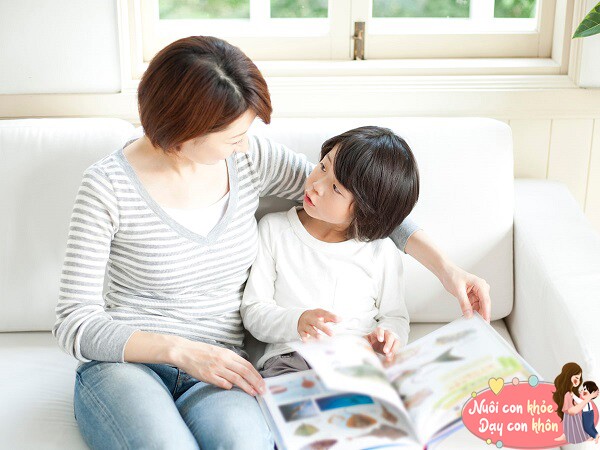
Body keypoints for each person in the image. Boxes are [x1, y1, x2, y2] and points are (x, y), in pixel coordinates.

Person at [52, 35, 492, 449]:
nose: (246, 146)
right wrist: (180, 351)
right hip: (130, 368)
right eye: (233, 137)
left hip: (222, 371)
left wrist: (447, 270)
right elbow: (75, 322)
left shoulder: (250, 161)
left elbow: (367, 203)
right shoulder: (107, 187)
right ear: (183, 134)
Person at [241, 126, 418, 377]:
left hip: (358, 361)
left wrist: (390, 336)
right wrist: (297, 321)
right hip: (293, 360)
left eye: (336, 189)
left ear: (365, 211)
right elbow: (254, 311)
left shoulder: (382, 251)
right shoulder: (274, 229)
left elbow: (396, 317)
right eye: (323, 166)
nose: (316, 185)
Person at [553, 363, 598, 444]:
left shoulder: (571, 393)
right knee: (574, 428)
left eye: (580, 378)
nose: (578, 381)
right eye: (576, 377)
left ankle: (581, 436)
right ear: (568, 376)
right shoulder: (567, 394)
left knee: (577, 427)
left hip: (574, 417)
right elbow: (571, 411)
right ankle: (572, 436)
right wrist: (587, 399)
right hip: (571, 416)